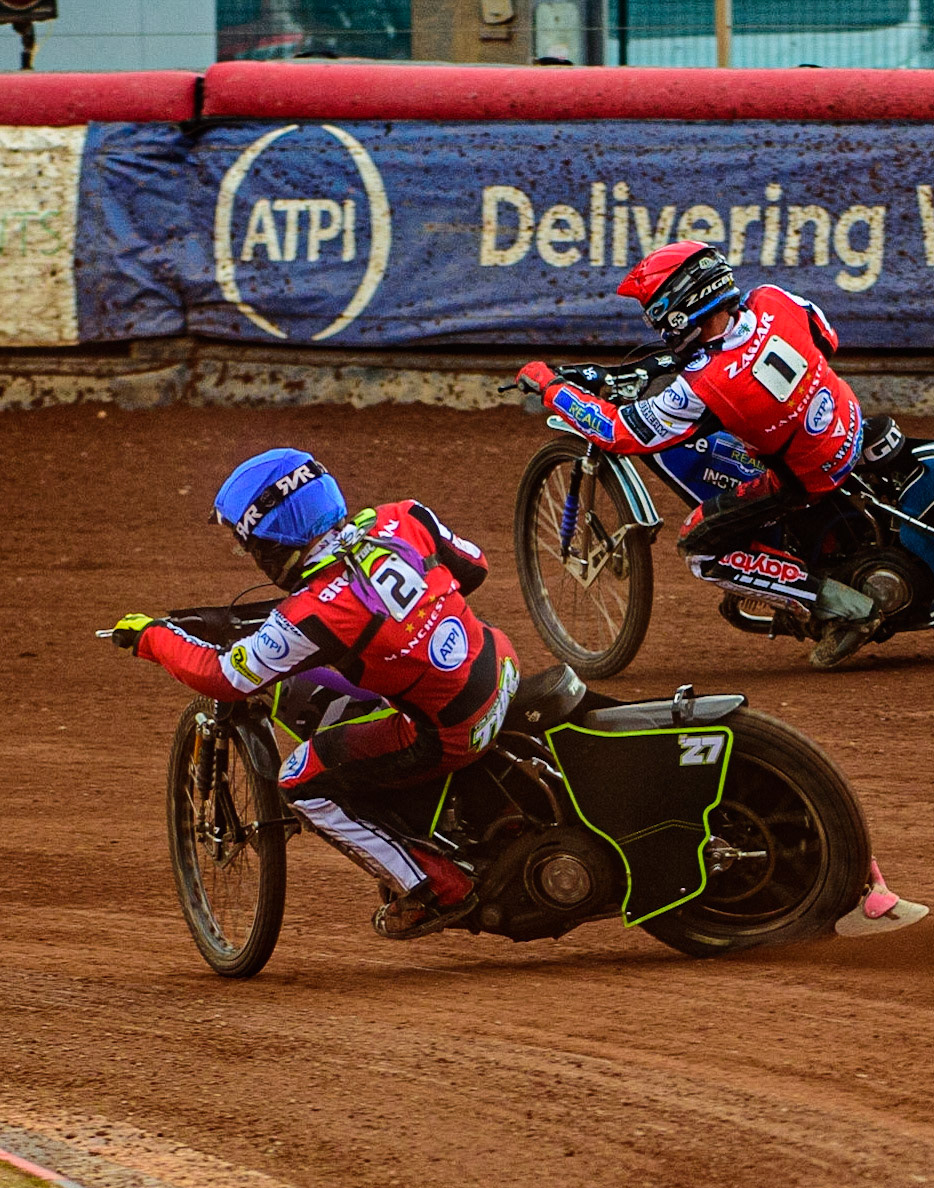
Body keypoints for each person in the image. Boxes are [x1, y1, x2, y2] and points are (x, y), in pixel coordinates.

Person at [110, 449, 520, 939]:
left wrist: (151, 637)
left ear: (272, 545)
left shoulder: (312, 616)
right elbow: (474, 568)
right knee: (382, 682)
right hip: (501, 665)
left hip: (453, 732)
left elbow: (224, 676)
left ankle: (436, 889)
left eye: (252, 548)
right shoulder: (404, 516)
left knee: (299, 779)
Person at [518, 241, 881, 670]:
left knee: (700, 547)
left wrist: (550, 388)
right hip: (849, 422)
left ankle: (845, 609)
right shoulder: (774, 299)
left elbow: (618, 431)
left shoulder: (705, 388)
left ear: (675, 311)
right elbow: (826, 338)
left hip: (806, 477)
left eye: (654, 312)